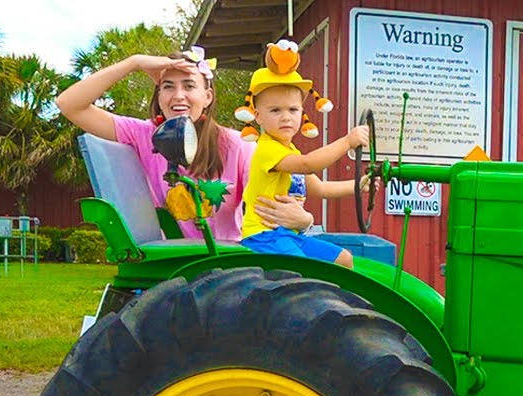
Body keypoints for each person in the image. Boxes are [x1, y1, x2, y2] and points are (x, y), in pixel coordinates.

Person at [55, 48, 320, 239]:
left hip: (228, 265)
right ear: (159, 96)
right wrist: (133, 63)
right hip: (171, 264)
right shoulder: (143, 134)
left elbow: (272, 206)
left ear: (207, 96)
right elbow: (69, 104)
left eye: (189, 85)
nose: (178, 96)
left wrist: (304, 220)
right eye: (168, 86)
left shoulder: (238, 145)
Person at [238, 65, 370, 267]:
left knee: (344, 259)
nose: (286, 117)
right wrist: (347, 142)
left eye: (293, 109)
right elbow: (308, 164)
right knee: (307, 271)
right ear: (258, 116)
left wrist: (359, 184)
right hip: (263, 236)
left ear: (301, 112)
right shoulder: (267, 149)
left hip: (286, 234)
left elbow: (321, 188)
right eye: (275, 110)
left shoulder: (289, 151)